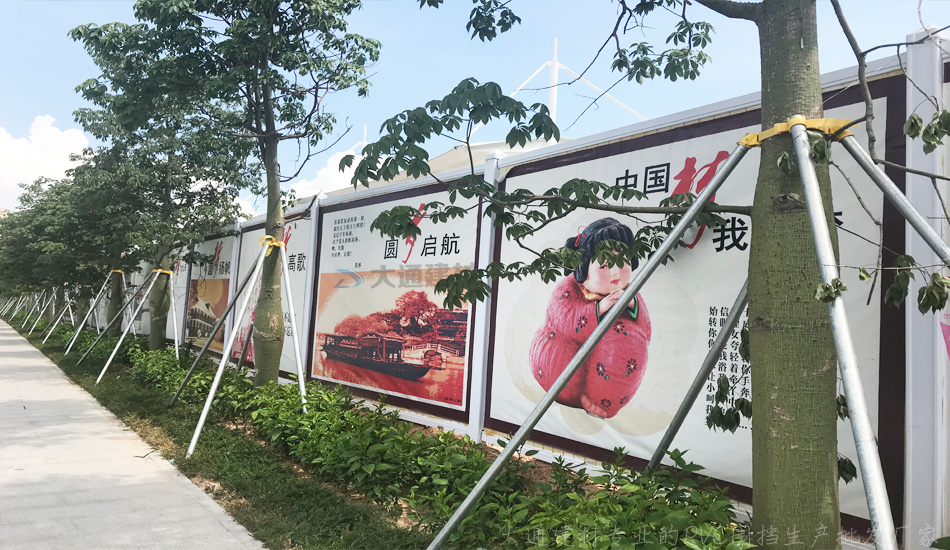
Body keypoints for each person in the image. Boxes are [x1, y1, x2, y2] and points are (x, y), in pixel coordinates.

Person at [528, 217, 651, 418]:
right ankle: (568, 390)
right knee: (559, 349)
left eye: (622, 262)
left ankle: (603, 400)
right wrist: (600, 308)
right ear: (585, 269)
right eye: (604, 266)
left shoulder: (630, 294)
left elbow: (645, 331)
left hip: (603, 379)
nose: (615, 274)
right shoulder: (568, 288)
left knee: (627, 340)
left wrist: (631, 304)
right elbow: (563, 321)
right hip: (566, 367)